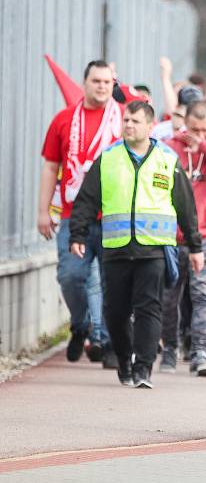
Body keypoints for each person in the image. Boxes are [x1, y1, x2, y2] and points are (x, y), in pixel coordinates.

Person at [69, 101, 204, 388]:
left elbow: (185, 205)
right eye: (126, 120)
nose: (129, 125)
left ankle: (143, 368)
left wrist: (195, 246)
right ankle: (124, 360)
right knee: (115, 312)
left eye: (135, 121)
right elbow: (86, 200)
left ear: (150, 125)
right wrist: (77, 235)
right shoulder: (108, 158)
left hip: (153, 249)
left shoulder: (167, 159)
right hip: (116, 248)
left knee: (149, 308)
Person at [39, 60, 122, 368]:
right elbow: (50, 166)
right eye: (96, 81)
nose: (101, 86)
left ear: (113, 85)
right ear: (84, 83)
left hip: (114, 217)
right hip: (75, 216)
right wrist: (43, 210)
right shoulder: (63, 120)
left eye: (107, 81)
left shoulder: (123, 120)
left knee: (112, 284)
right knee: (71, 276)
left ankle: (109, 342)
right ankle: (81, 324)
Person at [160, 101, 206, 375]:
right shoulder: (169, 148)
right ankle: (170, 348)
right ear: (185, 124)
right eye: (195, 129)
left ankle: (200, 351)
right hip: (173, 235)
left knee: (203, 294)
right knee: (169, 296)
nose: (200, 134)